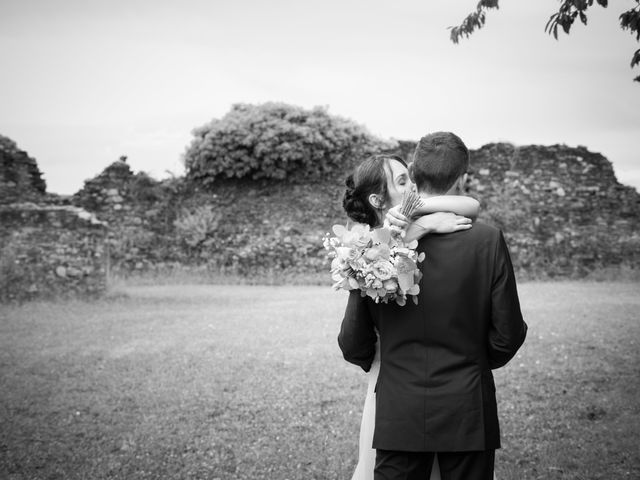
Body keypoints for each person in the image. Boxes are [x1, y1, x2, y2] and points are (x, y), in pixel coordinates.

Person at [339, 133, 527, 480]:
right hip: (468, 408)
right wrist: (474, 365)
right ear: (464, 177)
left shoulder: (374, 247)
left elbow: (353, 342)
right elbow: (508, 333)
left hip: (399, 412)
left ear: (413, 169)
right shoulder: (487, 240)